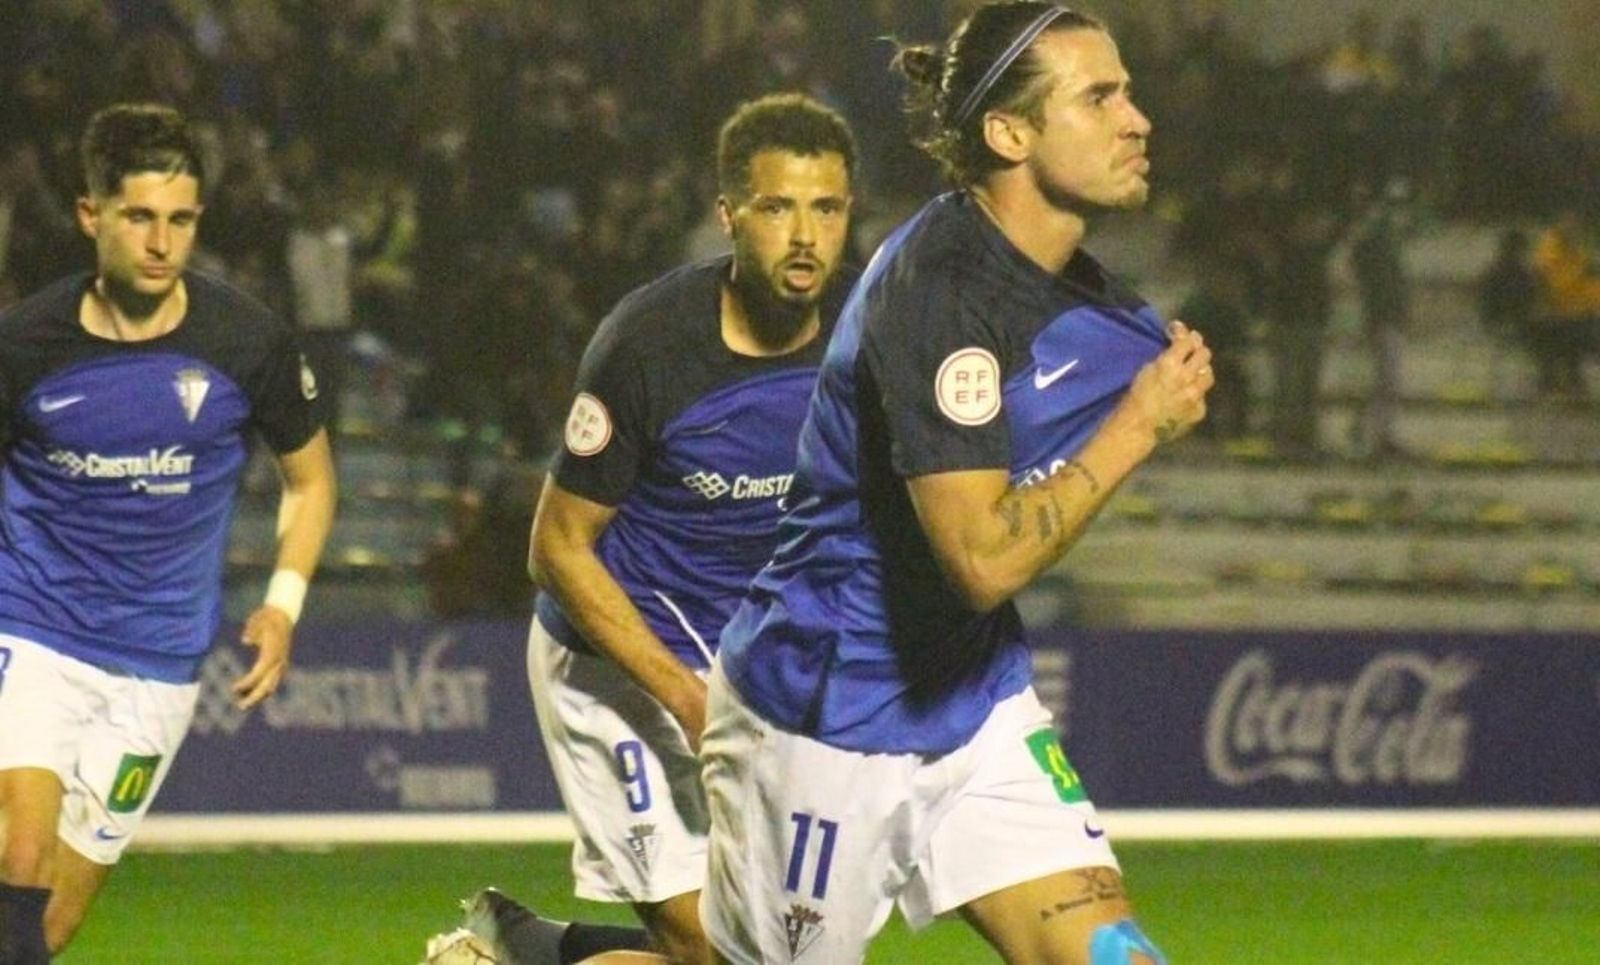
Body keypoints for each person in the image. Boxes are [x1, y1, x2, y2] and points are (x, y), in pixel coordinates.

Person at [700, 5, 1211, 964]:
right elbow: (980, 560)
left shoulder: (1095, 308)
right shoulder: (936, 296)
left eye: (1129, 94)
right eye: (1100, 98)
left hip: (974, 702)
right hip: (825, 712)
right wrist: (1139, 424)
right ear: (1009, 133)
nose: (1137, 120)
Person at [429, 93, 857, 965]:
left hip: (745, 671)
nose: (805, 236)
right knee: (709, 947)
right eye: (778, 207)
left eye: (827, 209)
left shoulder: (862, 338)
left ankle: (520, 952)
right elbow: (556, 548)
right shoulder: (649, 347)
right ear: (728, 216)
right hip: (613, 667)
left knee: (786, 953)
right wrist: (689, 699)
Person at [0, 103, 337, 963]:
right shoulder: (23, 346)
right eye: (140, 216)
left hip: (159, 664)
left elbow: (311, 480)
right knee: (21, 851)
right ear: (91, 215)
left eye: (180, 220)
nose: (161, 243)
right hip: (32, 631)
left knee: (50, 924)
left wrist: (283, 605)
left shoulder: (245, 341)